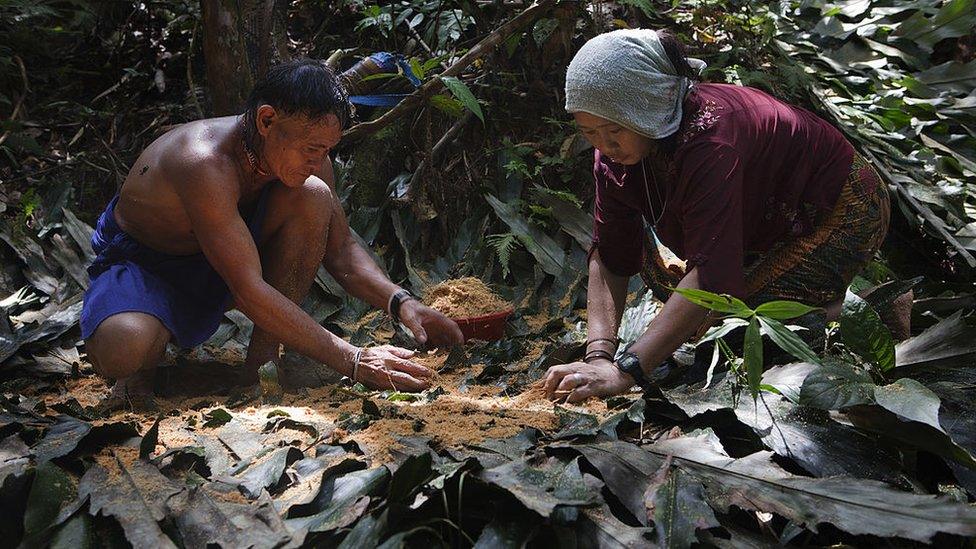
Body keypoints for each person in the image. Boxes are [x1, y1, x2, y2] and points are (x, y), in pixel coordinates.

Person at [81, 59, 464, 410]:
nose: (318, 160)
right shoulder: (202, 162)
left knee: (314, 196)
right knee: (124, 347)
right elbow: (247, 288)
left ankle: (261, 364)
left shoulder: (311, 157)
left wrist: (401, 303)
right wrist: (355, 360)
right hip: (148, 268)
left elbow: (342, 248)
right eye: (311, 148)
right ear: (266, 121)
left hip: (226, 263)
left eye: (326, 149)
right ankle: (146, 363)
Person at [543, 29, 891, 403]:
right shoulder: (613, 154)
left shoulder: (711, 139)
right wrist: (597, 355)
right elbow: (612, 255)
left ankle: (871, 310)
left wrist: (625, 371)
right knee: (682, 300)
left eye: (615, 130)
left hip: (842, 207)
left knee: (741, 325)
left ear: (650, 110)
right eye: (589, 132)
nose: (605, 145)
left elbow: (710, 280)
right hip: (762, 223)